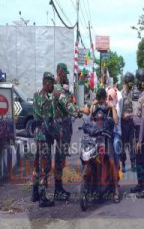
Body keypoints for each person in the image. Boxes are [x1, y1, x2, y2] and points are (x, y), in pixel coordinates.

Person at [53, 63, 89, 201]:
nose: (66, 77)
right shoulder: (58, 90)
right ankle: (57, 190)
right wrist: (81, 111)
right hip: (61, 130)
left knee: (61, 160)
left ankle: (59, 188)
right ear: (60, 72)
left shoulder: (61, 89)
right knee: (59, 160)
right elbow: (69, 107)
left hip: (64, 129)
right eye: (65, 74)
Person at [90, 88, 120, 203]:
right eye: (99, 100)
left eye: (102, 100)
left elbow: (116, 121)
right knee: (90, 158)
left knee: (111, 161)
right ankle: (91, 186)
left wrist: (112, 107)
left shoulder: (109, 108)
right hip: (96, 139)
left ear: (105, 98)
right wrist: (93, 105)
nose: (101, 103)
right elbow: (90, 119)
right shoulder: (96, 108)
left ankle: (116, 189)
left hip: (107, 138)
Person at [31, 72, 55, 207]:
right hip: (44, 136)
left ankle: (34, 193)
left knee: (36, 164)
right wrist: (55, 134)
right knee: (44, 168)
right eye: (52, 84)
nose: (53, 86)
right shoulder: (46, 100)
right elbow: (48, 123)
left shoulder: (36, 96)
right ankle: (42, 197)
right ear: (47, 83)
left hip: (36, 134)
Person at [131, 68, 144, 199]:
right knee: (138, 160)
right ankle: (140, 183)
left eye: (139, 80)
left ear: (143, 82)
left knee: (143, 160)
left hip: (142, 132)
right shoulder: (142, 94)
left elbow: (143, 120)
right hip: (137, 131)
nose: (137, 83)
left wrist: (139, 140)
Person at [120, 72, 136, 173]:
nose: (131, 84)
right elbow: (118, 109)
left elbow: (136, 108)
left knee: (132, 144)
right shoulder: (121, 94)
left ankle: (133, 163)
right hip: (123, 123)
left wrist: (131, 115)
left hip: (131, 122)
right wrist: (122, 115)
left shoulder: (133, 93)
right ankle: (123, 163)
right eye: (130, 82)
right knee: (122, 145)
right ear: (126, 82)